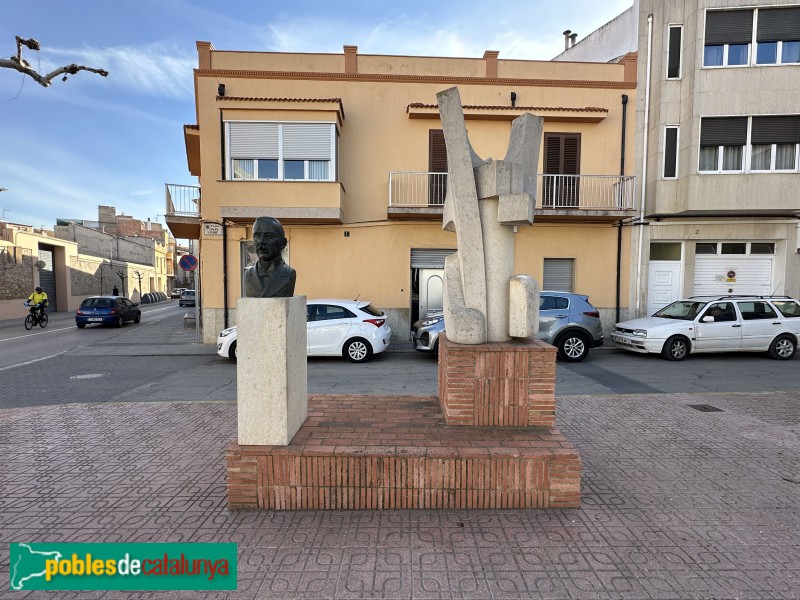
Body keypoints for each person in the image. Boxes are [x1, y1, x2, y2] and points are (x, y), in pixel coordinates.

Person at [244, 216, 297, 298]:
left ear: (283, 243)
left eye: (269, 236)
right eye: (257, 236)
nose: (261, 241)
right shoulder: (249, 275)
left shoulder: (288, 273)